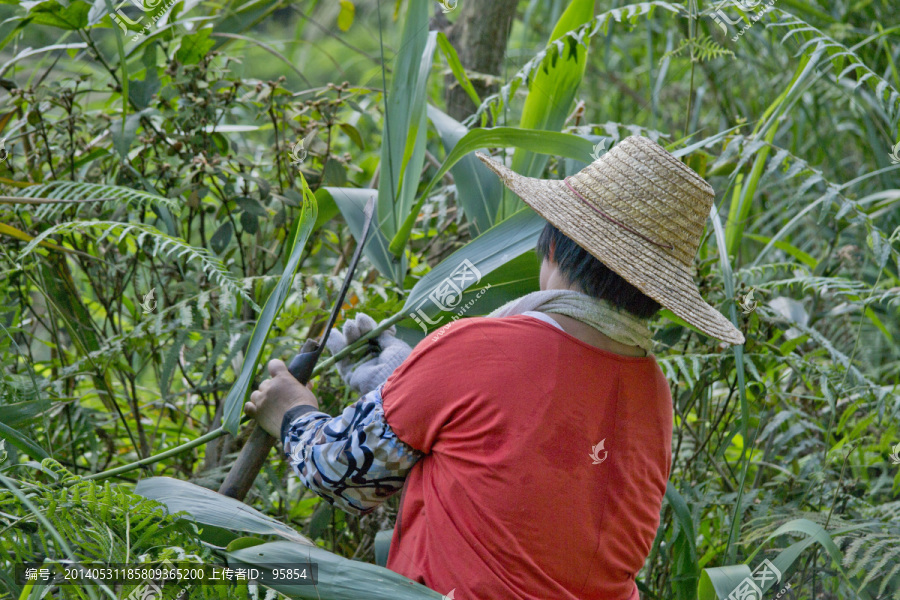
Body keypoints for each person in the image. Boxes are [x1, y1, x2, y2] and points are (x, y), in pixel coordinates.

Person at [245, 136, 745, 599]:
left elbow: (336, 472)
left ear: (552, 244)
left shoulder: (478, 346)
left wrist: (291, 412)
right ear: (655, 297)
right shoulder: (654, 391)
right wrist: (398, 378)